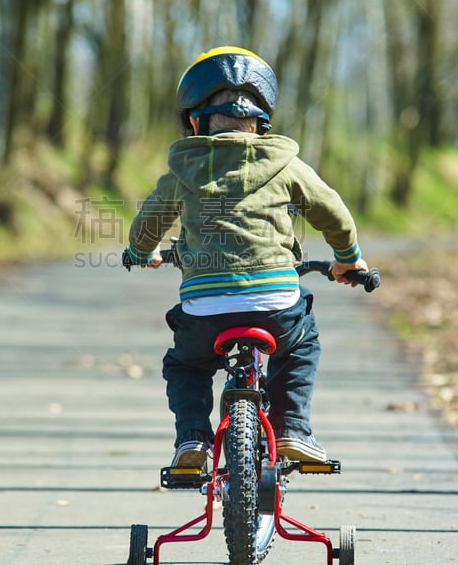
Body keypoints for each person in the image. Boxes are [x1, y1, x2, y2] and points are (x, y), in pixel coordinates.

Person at [126, 46, 368, 468]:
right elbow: (334, 213)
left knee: (186, 365)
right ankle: (293, 428)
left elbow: (147, 224)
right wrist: (348, 259)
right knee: (301, 343)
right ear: (261, 122)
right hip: (277, 303)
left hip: (204, 310)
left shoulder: (184, 168)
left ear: (195, 122)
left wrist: (139, 251)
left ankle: (194, 441)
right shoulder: (284, 163)